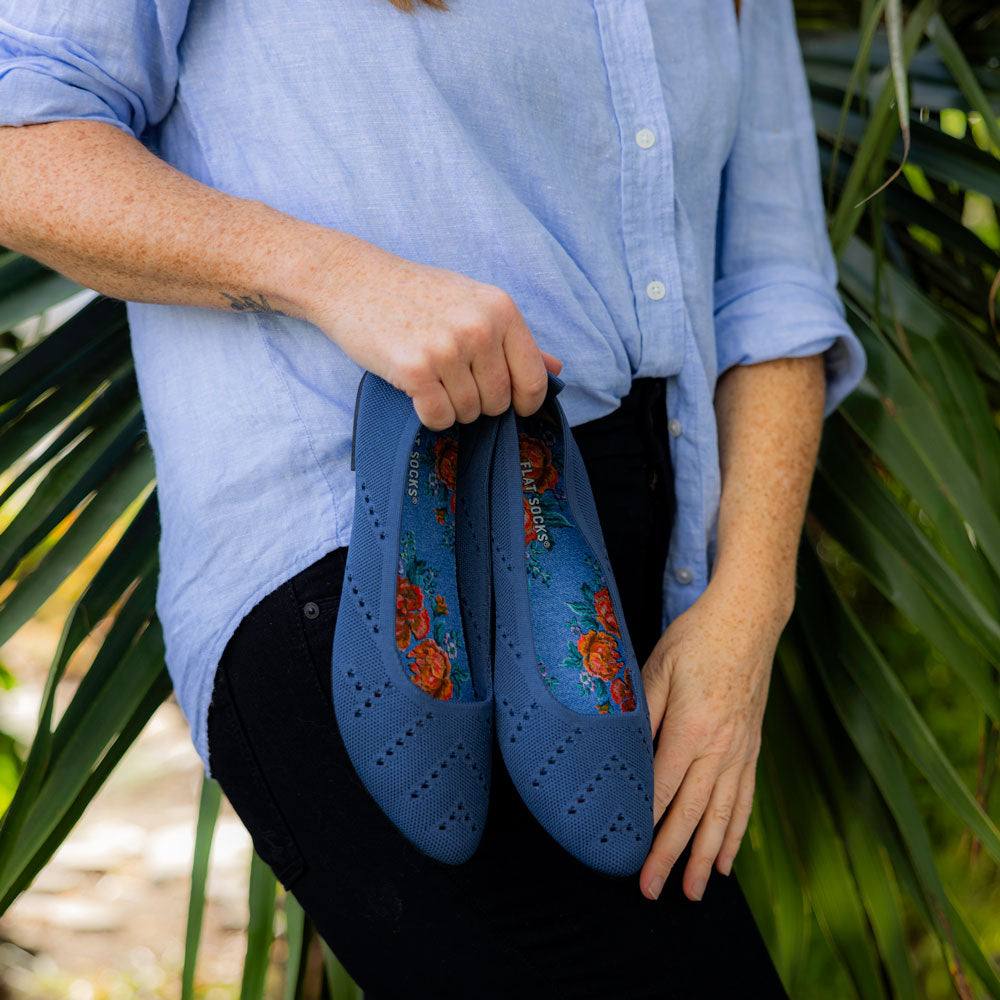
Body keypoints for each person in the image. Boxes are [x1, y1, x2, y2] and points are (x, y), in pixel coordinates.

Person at [0, 0, 866, 995]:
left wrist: (748, 610)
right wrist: (333, 276)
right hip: (374, 558)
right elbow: (21, 132)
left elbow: (770, 283)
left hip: (625, 602)